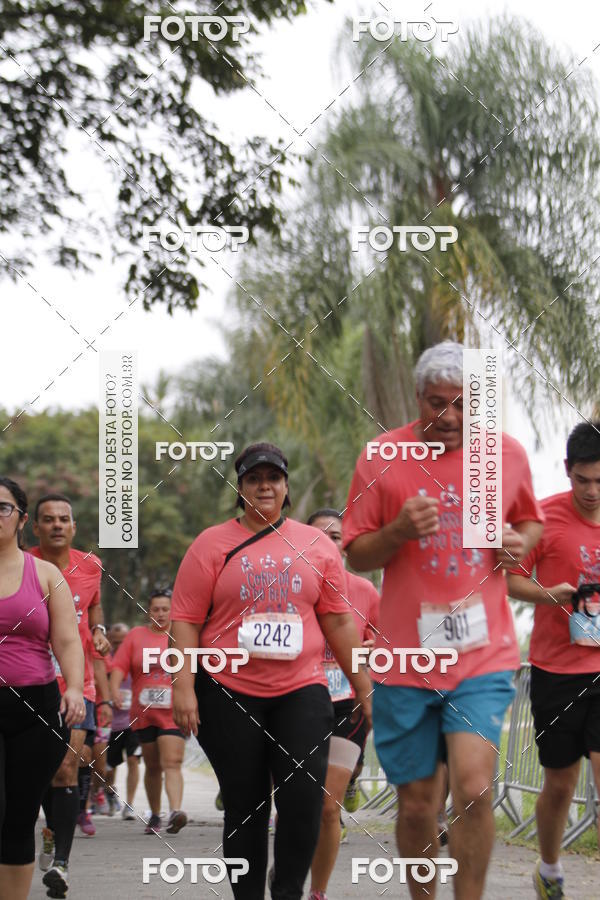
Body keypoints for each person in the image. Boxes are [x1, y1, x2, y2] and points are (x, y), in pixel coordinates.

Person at [343, 341, 545, 899]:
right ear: (417, 398)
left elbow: (530, 524)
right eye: (437, 404)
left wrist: (515, 546)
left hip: (483, 654)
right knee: (415, 806)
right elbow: (356, 553)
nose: (450, 418)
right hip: (406, 659)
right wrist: (398, 533)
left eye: (463, 405)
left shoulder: (504, 455)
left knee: (476, 789)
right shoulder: (381, 456)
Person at [170, 442, 373, 900]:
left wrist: (366, 689)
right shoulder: (210, 545)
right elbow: (185, 619)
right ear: (240, 488)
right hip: (227, 690)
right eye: (253, 479)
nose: (264, 485)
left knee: (304, 801)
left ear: (285, 487)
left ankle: (287, 893)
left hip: (301, 690)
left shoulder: (316, 544)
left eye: (273, 478)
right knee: (247, 806)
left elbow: (339, 621)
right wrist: (183, 685)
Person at [507, 421, 600, 899]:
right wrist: (548, 596)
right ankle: (549, 866)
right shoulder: (544, 517)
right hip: (556, 671)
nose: (591, 490)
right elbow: (508, 579)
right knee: (560, 785)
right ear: (567, 471)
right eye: (582, 479)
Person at [0, 477, 84, 900]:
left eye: (3, 508)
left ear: (20, 518)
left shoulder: (46, 574)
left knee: (18, 815)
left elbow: (67, 640)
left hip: (35, 707)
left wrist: (73, 689)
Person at [30, 492, 111, 897]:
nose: (57, 525)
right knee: (38, 771)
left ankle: (61, 864)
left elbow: (95, 608)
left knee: (66, 767)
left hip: (79, 684)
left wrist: (98, 629)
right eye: (49, 519)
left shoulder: (91, 565)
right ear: (36, 527)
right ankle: (48, 829)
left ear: (74, 527)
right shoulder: (21, 566)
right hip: (31, 681)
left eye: (64, 519)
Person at [306, 508, 379, 900]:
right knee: (296, 806)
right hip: (296, 702)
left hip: (347, 703)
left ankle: (317, 892)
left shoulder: (365, 591)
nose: (327, 543)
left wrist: (373, 648)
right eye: (318, 535)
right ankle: (285, 876)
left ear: (346, 546)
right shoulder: (290, 585)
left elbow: (390, 642)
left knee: (327, 808)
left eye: (335, 537)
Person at [110, 590, 187, 835]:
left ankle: (175, 812)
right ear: (149, 611)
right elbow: (119, 668)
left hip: (174, 710)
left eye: (166, 609)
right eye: (156, 609)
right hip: (144, 713)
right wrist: (114, 691)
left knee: (172, 762)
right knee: (153, 766)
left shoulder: (184, 636)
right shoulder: (135, 636)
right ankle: (155, 815)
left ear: (173, 611)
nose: (161, 614)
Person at [105, 623, 140, 819]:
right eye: (115, 642)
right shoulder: (105, 659)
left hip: (133, 720)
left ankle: (130, 805)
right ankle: (110, 793)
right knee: (108, 767)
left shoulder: (135, 658)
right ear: (109, 640)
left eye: (123, 641)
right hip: (109, 721)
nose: (119, 646)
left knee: (133, 759)